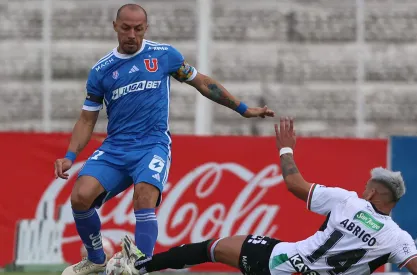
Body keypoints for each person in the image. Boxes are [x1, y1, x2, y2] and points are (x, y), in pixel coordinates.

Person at [54, 4, 274, 275]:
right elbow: (87, 119)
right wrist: (70, 156)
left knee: (144, 195)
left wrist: (243, 109)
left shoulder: (163, 55)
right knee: (80, 197)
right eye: (126, 28)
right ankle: (96, 258)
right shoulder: (101, 70)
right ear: (115, 27)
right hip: (115, 148)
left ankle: (141, 266)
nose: (132, 34)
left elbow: (202, 82)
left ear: (146, 28)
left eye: (138, 28)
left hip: (152, 144)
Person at [120, 117, 417, 275]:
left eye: (366, 186)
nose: (362, 189)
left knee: (212, 248)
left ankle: (140, 266)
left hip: (282, 263)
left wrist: (285, 148)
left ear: (373, 191)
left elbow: (294, 184)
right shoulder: (398, 239)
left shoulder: (350, 201)